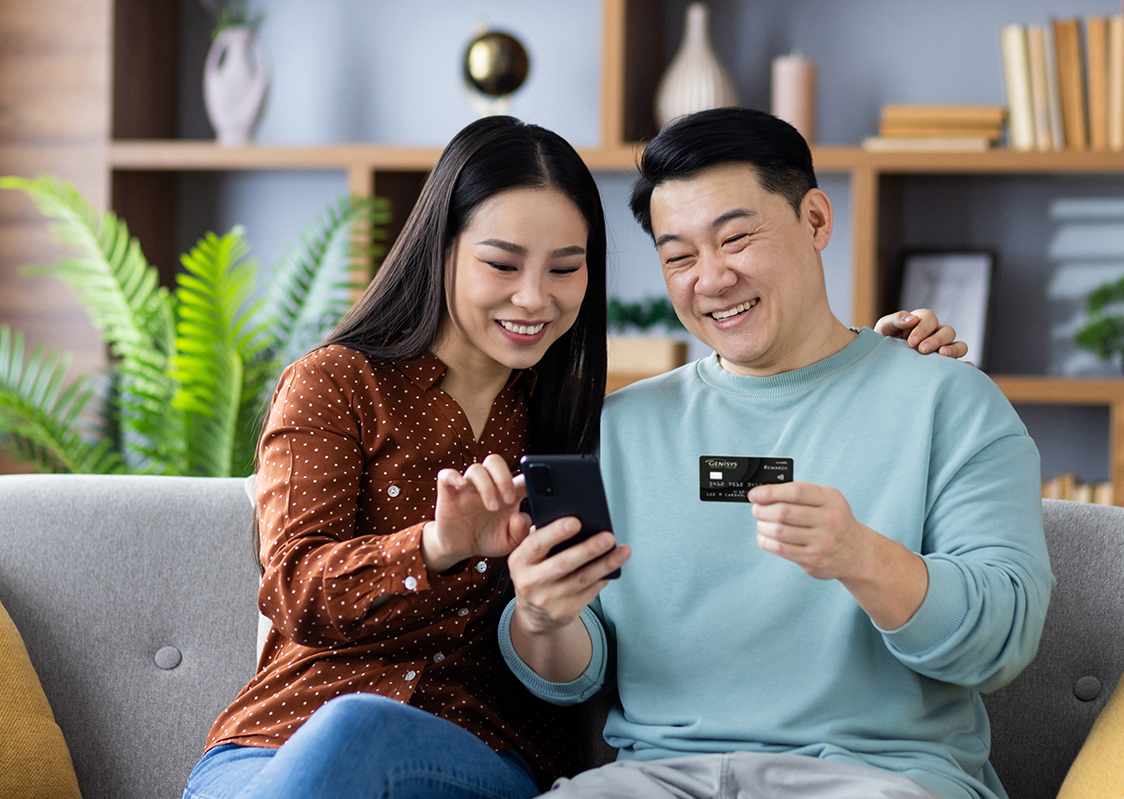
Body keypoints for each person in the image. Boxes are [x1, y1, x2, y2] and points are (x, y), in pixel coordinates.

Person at [182, 113, 965, 799]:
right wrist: (437, 545)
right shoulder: (338, 383)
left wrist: (878, 358)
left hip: (473, 751)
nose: (535, 298)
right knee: (344, 733)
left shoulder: (580, 418)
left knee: (360, 734)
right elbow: (291, 588)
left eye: (565, 269)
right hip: (279, 742)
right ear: (440, 248)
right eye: (501, 263)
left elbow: (760, 385)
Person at [500, 108, 1055, 799]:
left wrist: (862, 556)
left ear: (816, 221)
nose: (711, 278)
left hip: (873, 779)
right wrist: (542, 617)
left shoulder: (948, 403)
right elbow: (576, 670)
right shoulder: (619, 429)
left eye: (735, 238)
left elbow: (1000, 639)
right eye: (679, 257)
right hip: (656, 779)